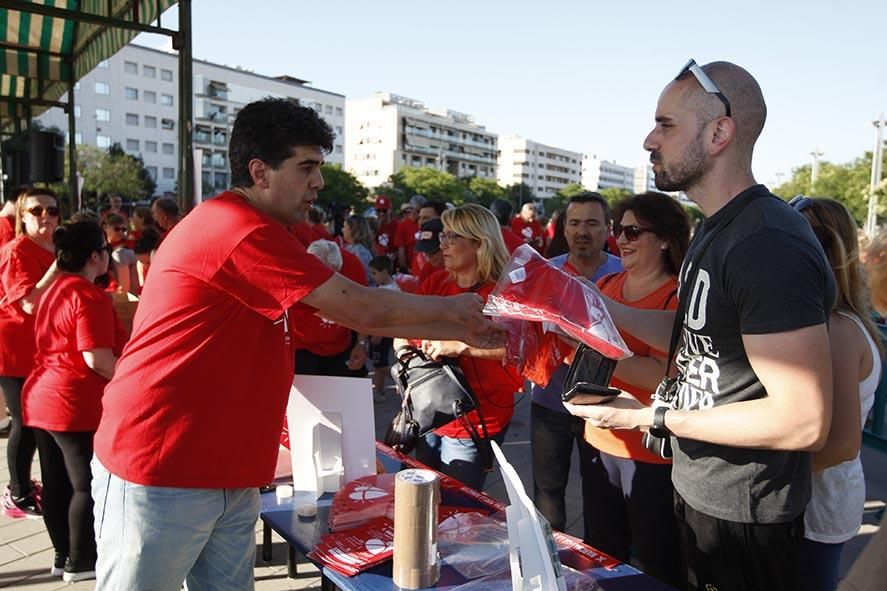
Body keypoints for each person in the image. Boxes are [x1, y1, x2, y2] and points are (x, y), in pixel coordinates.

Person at [90, 98, 503, 591]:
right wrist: (459, 318)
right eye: (307, 167)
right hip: (163, 469)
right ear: (259, 171)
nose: (319, 183)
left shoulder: (266, 230)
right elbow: (361, 308)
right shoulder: (237, 228)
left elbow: (344, 308)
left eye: (320, 167)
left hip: (228, 470)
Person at [565, 60, 835, 591]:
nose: (649, 139)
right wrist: (598, 309)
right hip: (700, 488)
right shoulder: (716, 230)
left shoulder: (768, 241)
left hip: (746, 513)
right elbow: (700, 335)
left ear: (719, 133)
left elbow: (804, 420)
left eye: (665, 125)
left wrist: (651, 416)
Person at [581, 192, 689, 587]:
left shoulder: (677, 296)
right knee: (600, 553)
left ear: (664, 239)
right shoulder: (607, 283)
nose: (621, 240)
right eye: (618, 230)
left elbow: (667, 375)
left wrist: (599, 358)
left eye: (632, 231)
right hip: (597, 439)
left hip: (649, 451)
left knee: (656, 558)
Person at [22, 221, 126, 582]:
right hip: (72, 402)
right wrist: (134, 382)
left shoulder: (52, 290)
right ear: (95, 256)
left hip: (41, 398)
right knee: (85, 484)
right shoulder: (87, 295)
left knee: (56, 482)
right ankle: (82, 560)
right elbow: (97, 359)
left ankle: (63, 555)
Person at [789, 196, 882, 591]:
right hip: (815, 502)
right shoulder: (827, 321)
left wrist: (759, 481)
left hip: (815, 506)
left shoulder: (838, 329)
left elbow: (843, 443)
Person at [404, 204, 523, 490]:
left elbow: (519, 351)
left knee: (458, 509)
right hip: (429, 408)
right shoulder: (435, 282)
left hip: (476, 419)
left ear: (479, 243)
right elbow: (406, 327)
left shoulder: (504, 294)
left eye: (451, 237)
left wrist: (460, 345)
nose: (441, 244)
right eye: (442, 236)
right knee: (425, 495)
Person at [530, 191, 622, 532]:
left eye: (592, 223)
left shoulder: (624, 274)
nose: (583, 231)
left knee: (601, 498)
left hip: (603, 405)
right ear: (564, 229)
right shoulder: (544, 274)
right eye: (575, 223)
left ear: (607, 229)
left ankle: (600, 569)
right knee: (547, 496)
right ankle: (550, 564)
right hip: (549, 404)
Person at [0, 187, 62, 519]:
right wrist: (59, 267)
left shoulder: (53, 248)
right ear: (22, 216)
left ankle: (25, 487)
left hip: (45, 348)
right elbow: (27, 303)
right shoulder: (17, 251)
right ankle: (18, 492)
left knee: (35, 421)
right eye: (37, 210)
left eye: (52, 211)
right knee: (24, 421)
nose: (46, 217)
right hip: (15, 348)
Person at [367, 255, 400, 397]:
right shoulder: (387, 286)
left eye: (374, 273)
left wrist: (378, 334)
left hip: (383, 332)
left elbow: (386, 316)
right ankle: (379, 391)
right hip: (383, 331)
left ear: (385, 272)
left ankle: (403, 381)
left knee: (380, 364)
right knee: (378, 362)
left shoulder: (389, 291)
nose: (372, 277)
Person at [101, 213, 138, 296]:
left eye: (123, 229)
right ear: (105, 227)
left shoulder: (123, 251)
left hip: (124, 298)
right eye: (117, 229)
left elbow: (124, 289)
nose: (121, 232)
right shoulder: (102, 248)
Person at [394, 195, 426, 272]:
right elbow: (401, 250)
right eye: (418, 211)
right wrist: (404, 269)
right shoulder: (403, 225)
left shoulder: (425, 223)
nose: (420, 214)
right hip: (410, 268)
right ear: (411, 209)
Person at [342, 215, 375, 283]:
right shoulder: (347, 247)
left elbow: (365, 276)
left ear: (353, 230)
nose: (342, 230)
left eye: (345, 227)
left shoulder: (360, 251)